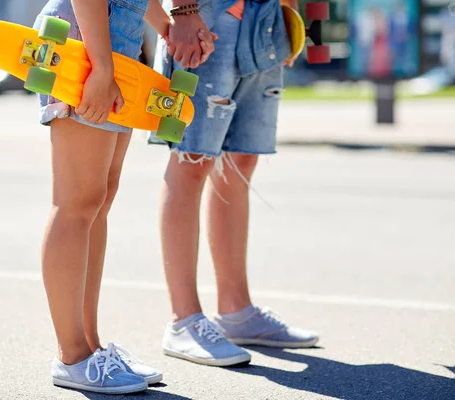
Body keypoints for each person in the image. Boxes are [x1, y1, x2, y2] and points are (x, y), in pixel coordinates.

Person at [32, 0, 216, 394]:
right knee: (77, 202)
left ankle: (91, 346)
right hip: (88, 35)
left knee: (98, 200)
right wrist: (101, 65)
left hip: (117, 39)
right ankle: (72, 355)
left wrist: (165, 27)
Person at [150, 0, 320, 367]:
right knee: (191, 159)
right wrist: (182, 10)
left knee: (241, 159)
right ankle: (184, 320)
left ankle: (235, 311)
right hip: (206, 15)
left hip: (264, 18)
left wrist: (288, 17)